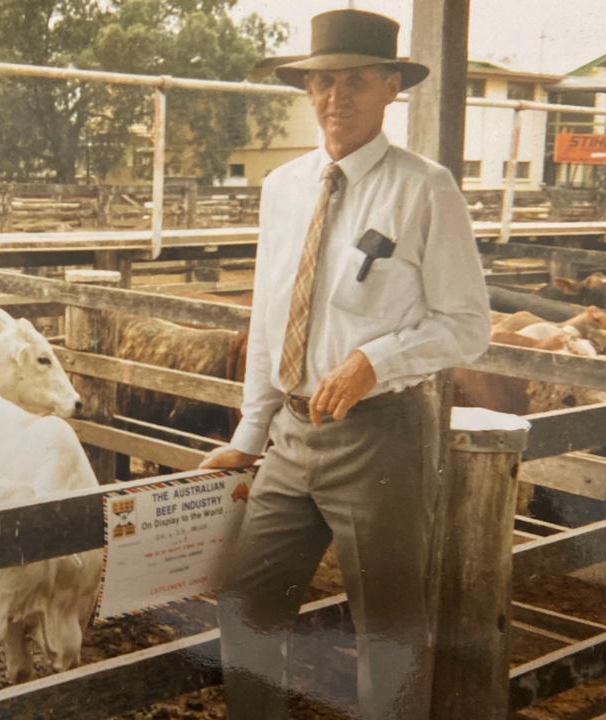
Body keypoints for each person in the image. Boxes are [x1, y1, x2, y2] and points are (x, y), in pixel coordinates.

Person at [199, 9, 492, 720]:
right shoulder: (285, 187)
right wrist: (248, 436)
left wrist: (376, 359)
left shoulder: (425, 189)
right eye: (323, 80)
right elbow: (272, 317)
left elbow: (469, 326)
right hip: (293, 440)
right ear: (307, 88)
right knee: (246, 608)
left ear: (392, 87)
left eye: (357, 80)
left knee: (388, 636)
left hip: (382, 438)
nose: (337, 97)